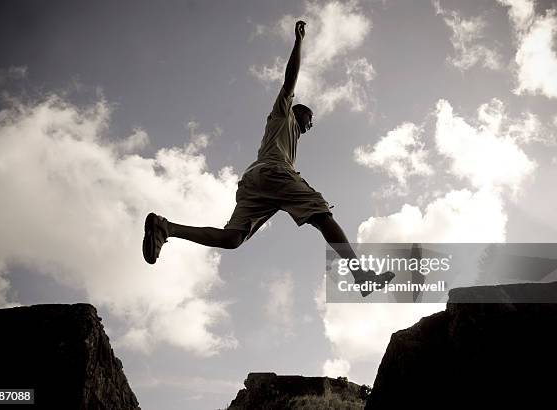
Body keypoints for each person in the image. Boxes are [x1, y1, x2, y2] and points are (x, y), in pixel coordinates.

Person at [143, 21, 394, 297]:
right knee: (322, 214)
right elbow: (290, 81)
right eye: (310, 118)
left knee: (233, 238)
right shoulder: (283, 114)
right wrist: (299, 42)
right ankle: (361, 276)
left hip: (255, 182)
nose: (312, 125)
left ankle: (166, 228)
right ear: (299, 113)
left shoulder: (289, 139)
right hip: (274, 173)